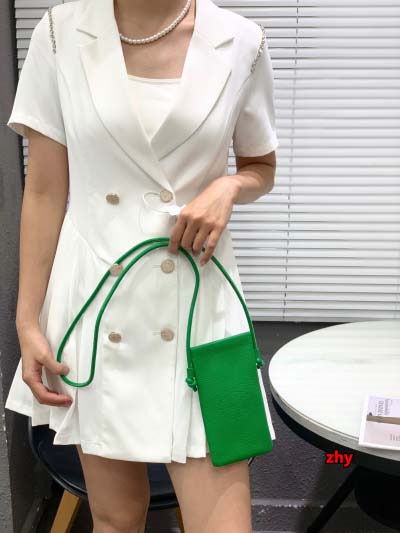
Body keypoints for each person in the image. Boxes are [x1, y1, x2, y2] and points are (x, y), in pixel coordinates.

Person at [5, 0, 279, 531]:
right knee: (115, 519)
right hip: (95, 306)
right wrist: (28, 321)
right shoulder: (60, 32)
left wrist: (228, 186)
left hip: (203, 315)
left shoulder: (242, 40)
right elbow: (43, 190)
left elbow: (260, 166)